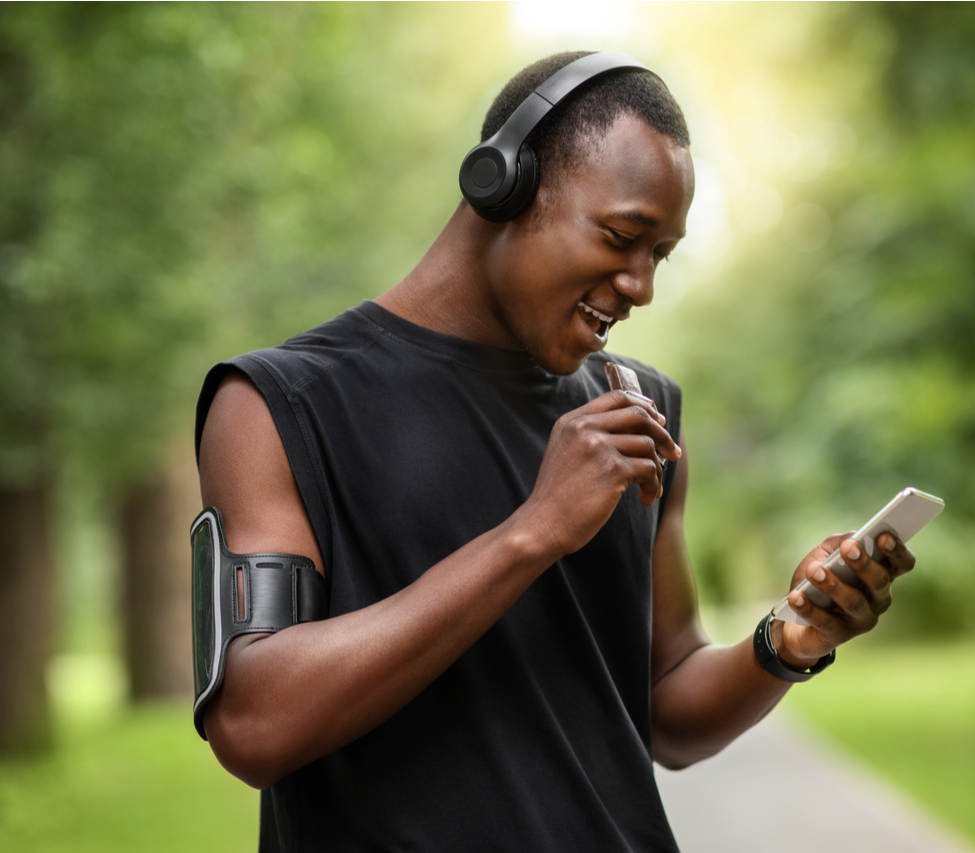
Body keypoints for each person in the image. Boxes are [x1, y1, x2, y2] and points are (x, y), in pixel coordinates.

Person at [194, 51, 916, 852]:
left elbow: (667, 706)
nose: (641, 285)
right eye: (621, 236)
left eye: (660, 255)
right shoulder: (277, 406)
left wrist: (789, 639)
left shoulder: (642, 413)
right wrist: (532, 531)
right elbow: (252, 722)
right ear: (502, 183)